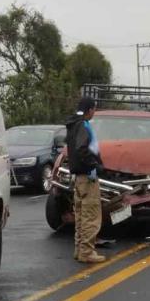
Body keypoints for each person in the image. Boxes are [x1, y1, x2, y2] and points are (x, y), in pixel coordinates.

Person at [65, 97, 105, 263]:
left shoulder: (73, 124)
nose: (94, 112)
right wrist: (94, 164)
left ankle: (79, 250)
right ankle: (87, 252)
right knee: (91, 216)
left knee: (81, 216)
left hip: (78, 178)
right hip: (87, 177)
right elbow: (82, 149)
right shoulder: (83, 125)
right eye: (94, 109)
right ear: (89, 109)